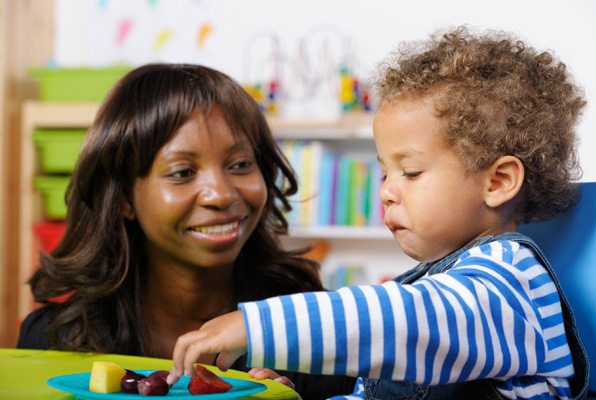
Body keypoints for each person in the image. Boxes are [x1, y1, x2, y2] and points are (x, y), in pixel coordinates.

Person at [168, 27, 590, 399]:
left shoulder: (510, 283)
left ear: (497, 182)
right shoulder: (445, 278)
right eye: (385, 173)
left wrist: (259, 328)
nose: (387, 192)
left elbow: (410, 323)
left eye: (410, 172)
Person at [17, 63, 356, 399]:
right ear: (123, 198)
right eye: (182, 172)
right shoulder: (54, 338)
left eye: (240, 165)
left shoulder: (310, 333)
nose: (221, 194)